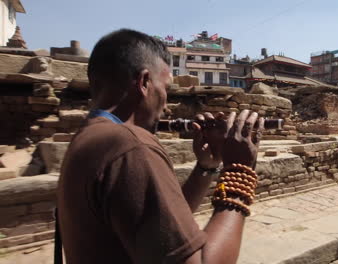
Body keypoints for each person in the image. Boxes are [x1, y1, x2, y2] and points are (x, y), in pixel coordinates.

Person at [57, 29, 264, 264]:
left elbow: (162, 226)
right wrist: (239, 171)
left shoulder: (88, 137)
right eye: (165, 88)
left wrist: (206, 166)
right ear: (144, 82)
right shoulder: (130, 145)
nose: (166, 106)